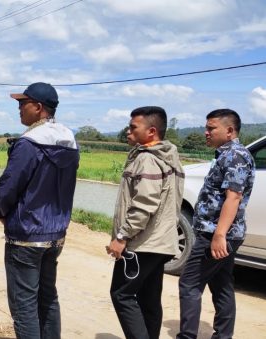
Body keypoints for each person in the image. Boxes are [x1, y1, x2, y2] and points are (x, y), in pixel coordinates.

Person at [0, 82, 79, 338]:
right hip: (55, 233)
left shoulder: (29, 143)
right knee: (48, 297)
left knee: (24, 305)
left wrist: (0, 210)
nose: (19, 108)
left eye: (23, 103)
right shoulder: (69, 141)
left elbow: (10, 186)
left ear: (39, 107)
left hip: (27, 235)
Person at [106, 106, 184, 339]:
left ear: (151, 131)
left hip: (143, 243)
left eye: (133, 127)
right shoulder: (169, 157)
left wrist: (122, 237)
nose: (128, 131)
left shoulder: (148, 160)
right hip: (161, 243)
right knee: (149, 300)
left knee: (122, 294)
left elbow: (144, 204)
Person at [177, 109, 255, 339]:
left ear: (229, 131)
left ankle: (187, 336)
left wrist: (219, 235)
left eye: (211, 128)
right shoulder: (227, 154)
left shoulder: (235, 156)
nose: (206, 132)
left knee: (189, 284)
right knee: (222, 285)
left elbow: (233, 197)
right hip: (224, 233)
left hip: (216, 234)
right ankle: (223, 336)